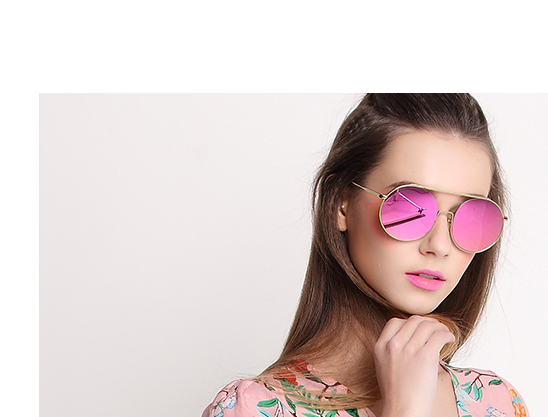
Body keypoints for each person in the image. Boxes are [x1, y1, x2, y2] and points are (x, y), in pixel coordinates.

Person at [202, 94, 528, 417]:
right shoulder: (256, 408)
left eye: (471, 217)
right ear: (341, 205)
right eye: (409, 208)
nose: (440, 245)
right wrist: (404, 410)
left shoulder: (495, 402)